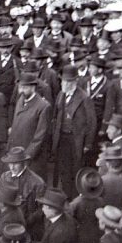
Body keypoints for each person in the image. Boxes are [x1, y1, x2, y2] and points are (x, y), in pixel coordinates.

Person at [51, 64, 97, 197]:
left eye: (69, 81)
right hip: (62, 138)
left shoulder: (84, 97)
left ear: (75, 81)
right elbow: (56, 115)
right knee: (63, 169)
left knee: (75, 169)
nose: (65, 83)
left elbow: (91, 122)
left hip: (77, 140)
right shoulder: (61, 95)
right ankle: (65, 195)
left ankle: (74, 197)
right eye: (64, 80)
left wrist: (88, 144)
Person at [0, 146, 47, 223]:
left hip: (27, 224)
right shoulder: (4, 177)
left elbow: (41, 210)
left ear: (24, 163)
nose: (12, 168)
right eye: (10, 163)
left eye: (15, 164)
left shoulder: (38, 183)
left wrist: (26, 222)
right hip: (5, 220)